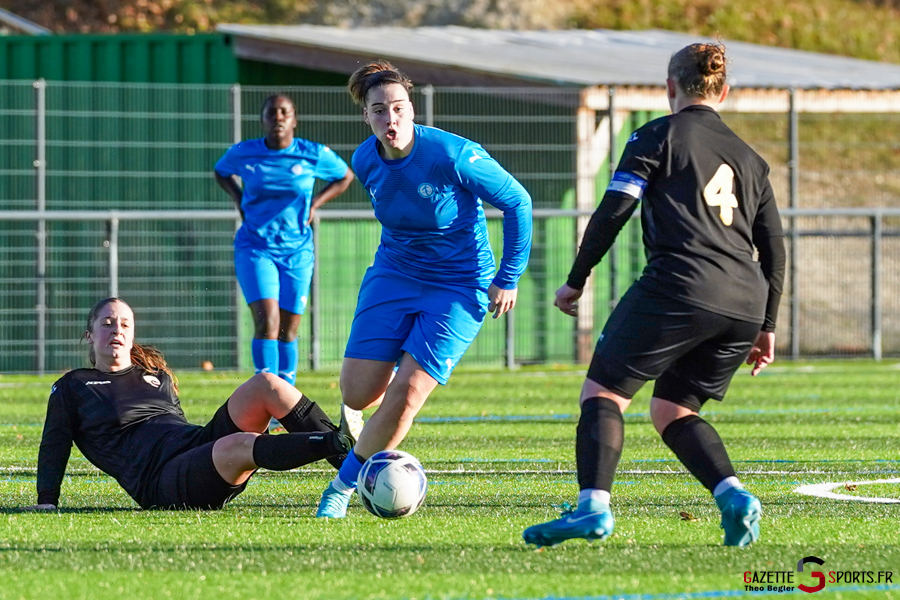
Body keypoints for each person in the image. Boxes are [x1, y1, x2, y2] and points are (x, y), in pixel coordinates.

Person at [522, 42, 785, 547]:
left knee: (603, 394)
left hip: (681, 284)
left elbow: (614, 210)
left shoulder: (656, 135)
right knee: (674, 410)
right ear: (724, 92)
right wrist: (767, 326)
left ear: (670, 88)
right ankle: (734, 496)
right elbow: (774, 250)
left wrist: (577, 278)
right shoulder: (752, 160)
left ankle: (592, 509)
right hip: (745, 301)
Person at [315, 60, 533, 518]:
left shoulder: (453, 155)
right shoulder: (364, 160)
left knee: (408, 395)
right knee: (357, 395)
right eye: (379, 111)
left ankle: (341, 488)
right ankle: (390, 389)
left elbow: (517, 200)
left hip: (459, 285)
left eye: (397, 108)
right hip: (394, 274)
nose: (389, 119)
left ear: (412, 110)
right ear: (366, 117)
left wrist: (507, 277)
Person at [26, 297, 353, 511]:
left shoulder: (155, 376)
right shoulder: (74, 385)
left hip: (195, 447)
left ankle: (355, 468)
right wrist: (47, 501)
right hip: (161, 480)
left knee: (265, 384)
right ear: (89, 335)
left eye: (125, 324)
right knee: (238, 446)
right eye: (107, 323)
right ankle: (336, 440)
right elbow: (54, 444)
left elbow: (175, 429)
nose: (117, 329)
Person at [214, 94, 355, 393]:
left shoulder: (312, 154)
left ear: (294, 119)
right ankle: (266, 394)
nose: (277, 118)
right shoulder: (245, 153)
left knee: (289, 329)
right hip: (255, 246)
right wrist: (239, 200)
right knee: (268, 320)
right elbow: (221, 171)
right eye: (271, 113)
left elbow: (345, 176)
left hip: (297, 251)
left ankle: (286, 397)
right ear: (263, 119)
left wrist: (316, 203)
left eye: (284, 112)